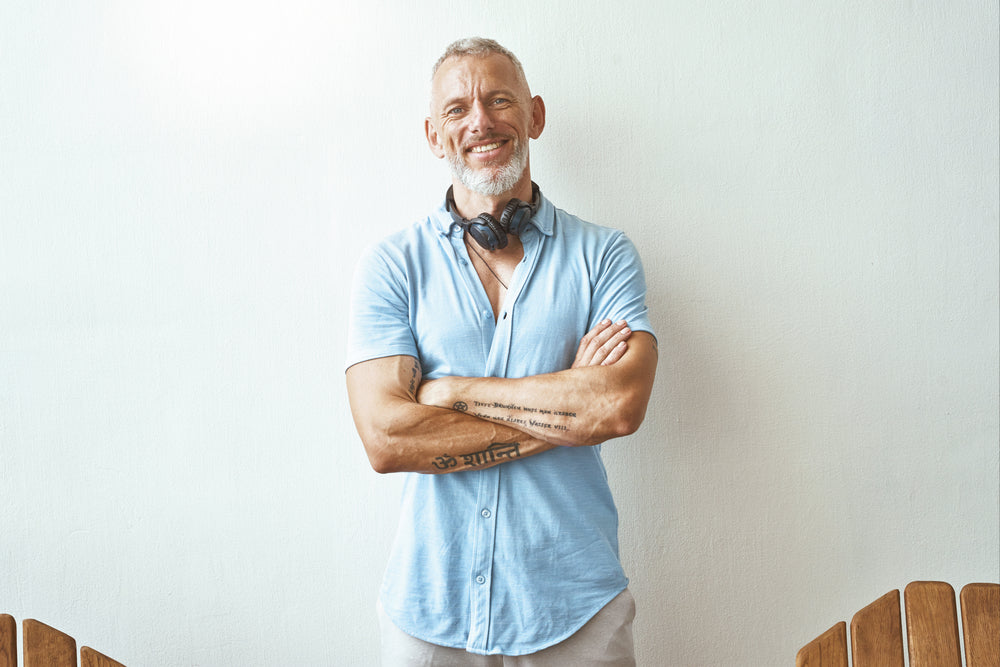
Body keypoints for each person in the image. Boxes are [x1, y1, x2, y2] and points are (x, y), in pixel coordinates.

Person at [345, 37, 658, 665]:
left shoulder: (605, 256)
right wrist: (569, 404)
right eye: (457, 109)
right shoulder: (392, 266)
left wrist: (450, 392)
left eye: (499, 100)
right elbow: (386, 438)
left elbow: (618, 407)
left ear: (535, 115)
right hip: (431, 615)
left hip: (576, 612)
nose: (481, 121)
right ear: (434, 135)